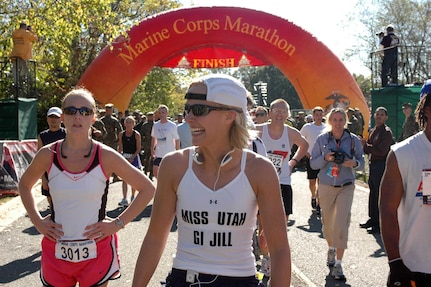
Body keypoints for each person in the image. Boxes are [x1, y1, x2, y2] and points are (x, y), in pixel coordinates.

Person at [132, 74, 291, 287]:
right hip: (184, 279)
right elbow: (154, 238)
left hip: (241, 280)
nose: (188, 118)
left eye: (199, 110)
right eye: (187, 109)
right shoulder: (174, 165)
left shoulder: (260, 170)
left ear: (230, 115)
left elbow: (279, 249)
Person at [19, 87, 155, 287]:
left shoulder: (106, 156)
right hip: (56, 250)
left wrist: (117, 223)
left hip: (97, 252)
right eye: (71, 111)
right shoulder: (47, 155)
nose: (77, 116)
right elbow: (24, 185)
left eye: (85, 111)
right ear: (62, 116)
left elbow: (148, 189)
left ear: (93, 118)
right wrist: (37, 221)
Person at [380, 82, 431, 287]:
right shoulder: (403, 153)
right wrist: (395, 262)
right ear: (426, 108)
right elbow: (387, 209)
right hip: (413, 268)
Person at [310, 107, 364, 281]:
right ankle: (331, 248)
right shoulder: (322, 139)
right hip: (326, 186)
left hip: (346, 186)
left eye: (341, 120)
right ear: (330, 121)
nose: (338, 123)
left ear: (345, 121)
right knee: (328, 225)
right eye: (335, 120)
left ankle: (339, 264)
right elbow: (313, 164)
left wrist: (352, 163)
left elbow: (362, 162)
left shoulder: (353, 140)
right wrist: (326, 159)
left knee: (342, 222)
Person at [256, 99, 309, 223]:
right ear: (270, 113)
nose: (280, 115)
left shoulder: (291, 133)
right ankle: (262, 242)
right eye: (277, 111)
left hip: (283, 181)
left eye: (284, 111)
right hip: (261, 183)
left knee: (283, 220)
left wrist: (293, 162)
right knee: (263, 222)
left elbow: (304, 145)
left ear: (288, 114)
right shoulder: (258, 130)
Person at [359, 107, 393, 234]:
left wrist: (366, 146)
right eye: (377, 114)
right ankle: (372, 219)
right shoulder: (373, 131)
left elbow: (382, 151)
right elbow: (368, 149)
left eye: (382, 115)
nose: (379, 116)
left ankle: (379, 223)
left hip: (381, 165)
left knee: (379, 193)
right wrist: (363, 145)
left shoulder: (386, 132)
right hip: (373, 164)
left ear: (386, 117)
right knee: (372, 192)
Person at [37, 107, 66, 207]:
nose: (53, 119)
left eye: (56, 117)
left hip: (65, 172)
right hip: (48, 173)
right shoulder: (42, 136)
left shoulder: (67, 134)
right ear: (47, 119)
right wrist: (43, 179)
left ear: (61, 119)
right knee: (51, 201)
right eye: (51, 117)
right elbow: (39, 160)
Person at [300, 106, 326, 211]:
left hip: (323, 158)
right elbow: (300, 139)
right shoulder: (307, 127)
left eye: (320, 114)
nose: (319, 117)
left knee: (322, 181)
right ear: (313, 115)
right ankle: (313, 196)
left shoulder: (326, 127)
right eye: (317, 115)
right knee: (312, 181)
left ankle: (319, 203)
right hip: (311, 157)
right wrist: (305, 152)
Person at [118, 116, 142, 207]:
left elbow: (138, 148)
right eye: (127, 122)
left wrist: (133, 157)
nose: (128, 124)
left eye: (130, 122)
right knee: (124, 179)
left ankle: (133, 196)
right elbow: (120, 147)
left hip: (134, 156)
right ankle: (124, 198)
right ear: (124, 124)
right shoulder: (121, 134)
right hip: (125, 156)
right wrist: (119, 156)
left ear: (134, 124)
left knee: (133, 178)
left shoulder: (136, 135)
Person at [151, 104, 180, 178]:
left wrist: (177, 152)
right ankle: (161, 186)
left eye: (163, 113)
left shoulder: (172, 125)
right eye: (160, 113)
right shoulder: (156, 125)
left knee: (168, 174)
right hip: (158, 153)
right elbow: (154, 138)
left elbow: (177, 139)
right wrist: (152, 149)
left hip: (169, 154)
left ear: (167, 113)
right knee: (155, 172)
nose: (161, 115)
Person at [100, 103, 123, 182]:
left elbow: (120, 130)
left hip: (111, 141)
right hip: (107, 141)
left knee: (110, 158)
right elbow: (120, 130)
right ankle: (110, 176)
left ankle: (114, 176)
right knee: (109, 158)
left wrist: (118, 139)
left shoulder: (106, 120)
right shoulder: (108, 120)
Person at [141, 111, 154, 180]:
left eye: (152, 116)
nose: (151, 117)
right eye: (149, 116)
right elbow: (142, 135)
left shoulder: (155, 125)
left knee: (153, 159)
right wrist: (142, 144)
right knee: (146, 158)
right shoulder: (145, 125)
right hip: (147, 143)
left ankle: (151, 173)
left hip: (154, 144)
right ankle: (145, 171)